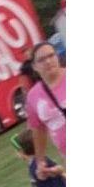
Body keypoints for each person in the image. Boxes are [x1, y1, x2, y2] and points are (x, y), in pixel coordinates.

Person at [23, 41, 66, 178]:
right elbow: (38, 129)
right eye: (41, 60)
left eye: (51, 56)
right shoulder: (33, 96)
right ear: (35, 67)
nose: (48, 61)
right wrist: (40, 161)